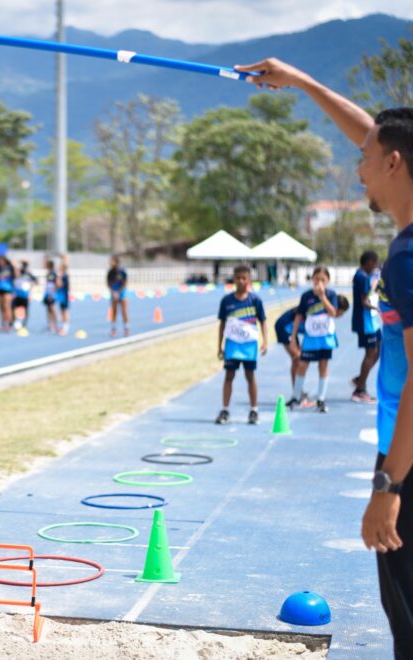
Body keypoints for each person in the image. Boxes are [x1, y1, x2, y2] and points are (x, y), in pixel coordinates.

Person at [237, 57, 413, 658]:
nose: (357, 170)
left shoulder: (406, 259)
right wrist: (305, 82)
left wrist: (389, 483)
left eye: (366, 160)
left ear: (394, 164)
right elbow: (381, 135)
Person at [215, 265, 267, 425]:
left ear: (249, 280)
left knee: (250, 376)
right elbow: (222, 324)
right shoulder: (227, 301)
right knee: (229, 376)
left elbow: (263, 321)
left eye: (244, 278)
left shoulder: (255, 300)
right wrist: (219, 346)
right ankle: (225, 410)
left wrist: (265, 341)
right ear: (234, 279)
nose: (241, 281)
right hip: (232, 346)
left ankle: (254, 410)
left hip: (249, 347)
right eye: (238, 278)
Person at [287, 265, 341, 414]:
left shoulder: (331, 294)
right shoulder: (306, 296)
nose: (319, 282)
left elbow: (333, 313)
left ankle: (321, 399)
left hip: (325, 338)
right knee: (302, 365)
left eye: (323, 279)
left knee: (323, 367)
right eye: (317, 279)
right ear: (312, 279)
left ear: (328, 280)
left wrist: (322, 297)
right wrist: (293, 336)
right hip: (311, 338)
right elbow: (299, 316)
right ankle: (296, 397)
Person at [351, 250, 382, 403]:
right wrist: (378, 308)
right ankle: (360, 390)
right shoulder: (361, 276)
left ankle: (360, 379)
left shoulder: (364, 276)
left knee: (380, 349)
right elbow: (364, 302)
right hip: (365, 321)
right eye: (374, 264)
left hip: (371, 321)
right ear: (368, 262)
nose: (375, 267)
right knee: (370, 354)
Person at [107, 256, 129, 337]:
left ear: (116, 262)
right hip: (114, 293)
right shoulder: (110, 272)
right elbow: (108, 283)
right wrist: (113, 292)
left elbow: (125, 283)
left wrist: (119, 292)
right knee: (114, 311)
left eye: (112, 261)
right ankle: (113, 329)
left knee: (124, 311)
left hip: (122, 293)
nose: (110, 263)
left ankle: (126, 329)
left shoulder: (122, 271)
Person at [12, 260, 37, 330]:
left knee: (25, 309)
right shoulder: (16, 273)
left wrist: (30, 285)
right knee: (13, 308)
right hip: (17, 294)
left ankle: (24, 324)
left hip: (25, 295)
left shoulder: (28, 274)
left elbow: (35, 281)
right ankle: (15, 321)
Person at [0, 254, 15, 332]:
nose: (0, 262)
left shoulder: (9, 268)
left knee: (7, 307)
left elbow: (15, 277)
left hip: (8, 289)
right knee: (1, 308)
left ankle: (9, 325)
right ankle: (3, 325)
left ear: (5, 261)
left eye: (1, 261)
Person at [43, 258, 58, 333]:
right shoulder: (48, 273)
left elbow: (55, 284)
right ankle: (50, 324)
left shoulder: (53, 273)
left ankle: (55, 324)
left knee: (52, 308)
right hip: (47, 293)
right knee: (48, 309)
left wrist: (51, 294)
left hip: (51, 293)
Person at [56, 260, 71, 336]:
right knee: (62, 311)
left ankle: (66, 327)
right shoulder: (64, 275)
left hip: (64, 296)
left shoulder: (64, 276)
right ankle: (63, 326)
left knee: (65, 311)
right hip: (61, 295)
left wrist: (58, 277)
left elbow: (60, 285)